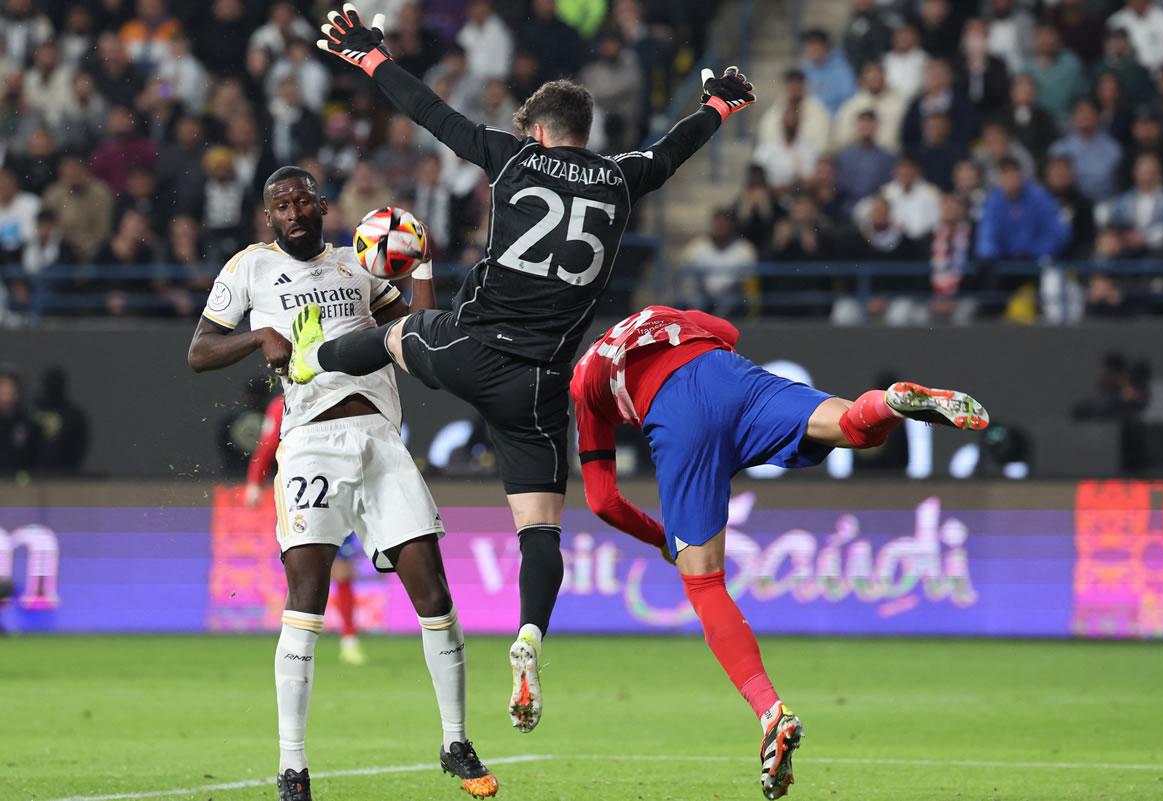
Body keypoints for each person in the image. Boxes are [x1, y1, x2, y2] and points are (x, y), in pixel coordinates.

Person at [293, 3, 755, 735]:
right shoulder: (623, 178)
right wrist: (722, 105)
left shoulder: (512, 157)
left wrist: (371, 58)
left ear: (537, 131)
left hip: (470, 346)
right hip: (541, 385)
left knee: (392, 337)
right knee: (540, 531)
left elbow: (431, 113)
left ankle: (304, 355)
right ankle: (530, 635)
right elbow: (675, 147)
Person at [570, 304, 987, 799]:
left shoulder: (582, 384)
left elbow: (602, 501)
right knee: (851, 426)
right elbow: (728, 331)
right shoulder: (661, 313)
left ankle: (772, 714)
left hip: (677, 415)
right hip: (731, 377)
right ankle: (891, 405)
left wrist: (661, 539)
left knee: (703, 583)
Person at [187, 166, 497, 801]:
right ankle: (293, 767)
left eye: (303, 200)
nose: (294, 211)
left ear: (322, 206)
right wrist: (258, 336)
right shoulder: (249, 267)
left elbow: (420, 339)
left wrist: (422, 272)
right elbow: (199, 350)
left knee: (433, 591)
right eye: (281, 205)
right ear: (268, 217)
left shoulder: (361, 264)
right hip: (309, 445)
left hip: (381, 441)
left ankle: (455, 740)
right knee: (307, 596)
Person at [245, 393, 366, 665]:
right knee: (302, 567)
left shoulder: (333, 395)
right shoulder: (280, 404)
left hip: (336, 488)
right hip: (299, 492)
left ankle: (349, 639)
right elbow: (267, 444)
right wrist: (254, 481)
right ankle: (297, 640)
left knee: (343, 570)